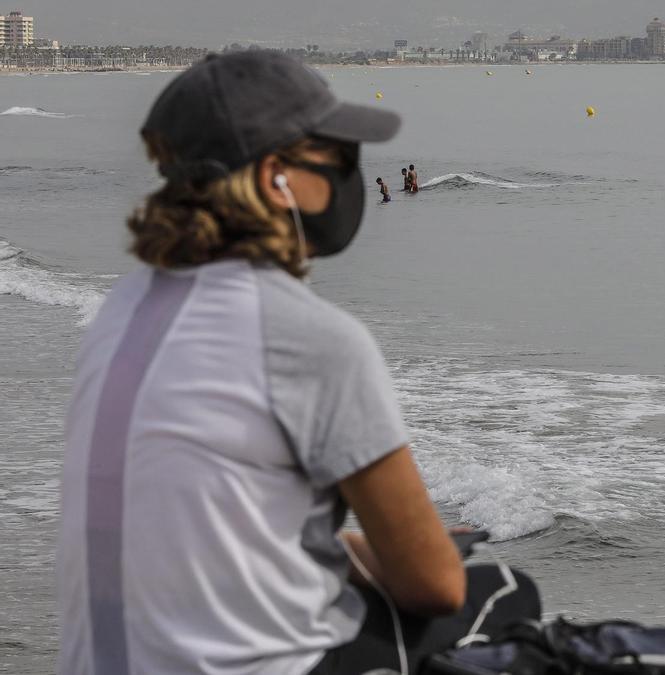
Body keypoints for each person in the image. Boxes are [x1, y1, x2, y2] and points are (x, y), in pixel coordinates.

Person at [56, 51, 539, 675]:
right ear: (275, 178)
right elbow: (435, 586)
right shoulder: (309, 339)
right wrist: (405, 554)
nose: (349, 172)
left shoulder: (121, 312)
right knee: (502, 595)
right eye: (334, 155)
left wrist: (342, 551)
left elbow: (196, 529)